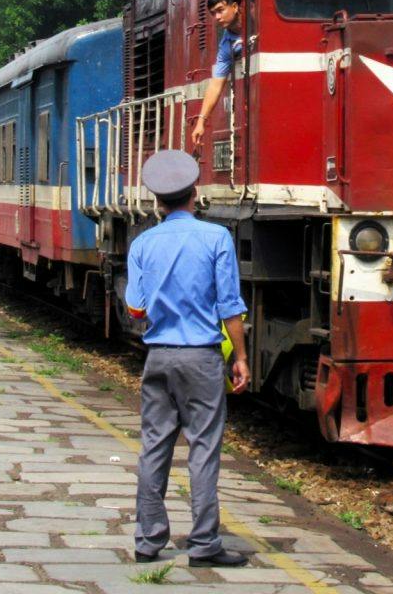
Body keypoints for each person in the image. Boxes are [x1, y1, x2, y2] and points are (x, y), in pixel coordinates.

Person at [126, 149, 250, 568]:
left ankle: (147, 540)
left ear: (157, 201)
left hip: (158, 358)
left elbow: (136, 308)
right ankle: (203, 544)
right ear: (194, 195)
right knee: (203, 448)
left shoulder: (142, 243)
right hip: (201, 358)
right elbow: (230, 306)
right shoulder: (216, 238)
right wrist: (242, 358)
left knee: (154, 447)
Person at [190, 0, 243, 147]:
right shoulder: (226, 46)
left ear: (234, 7)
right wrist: (201, 122)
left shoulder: (259, 17)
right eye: (213, 13)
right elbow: (215, 85)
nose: (217, 17)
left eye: (220, 10)